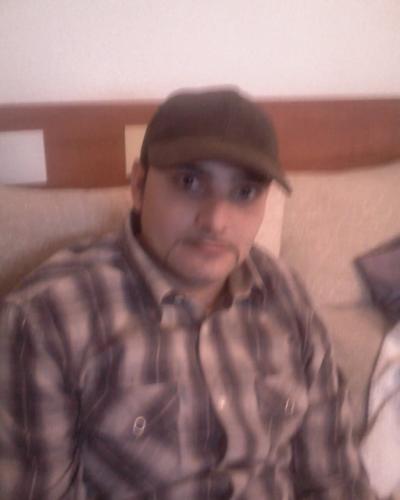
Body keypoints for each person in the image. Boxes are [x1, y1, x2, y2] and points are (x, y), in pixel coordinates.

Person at [0, 89, 376, 499]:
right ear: (139, 186)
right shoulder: (47, 318)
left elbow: (334, 476)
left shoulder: (284, 292)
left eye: (244, 193)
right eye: (190, 182)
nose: (215, 221)